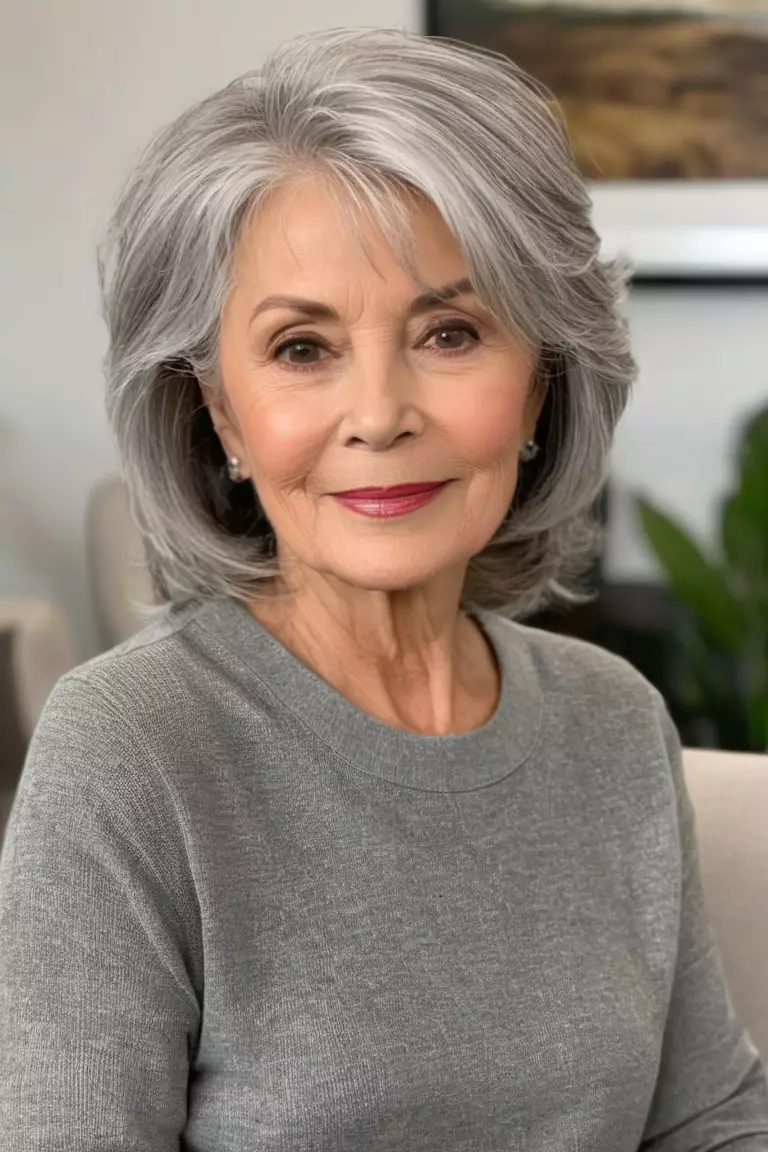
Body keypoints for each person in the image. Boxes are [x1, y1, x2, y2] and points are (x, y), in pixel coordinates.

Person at [0, 25, 766, 1151]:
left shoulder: (614, 723)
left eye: (449, 332)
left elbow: (708, 1122)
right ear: (222, 415)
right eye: (303, 348)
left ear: (544, 378)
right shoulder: (130, 750)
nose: (379, 413)